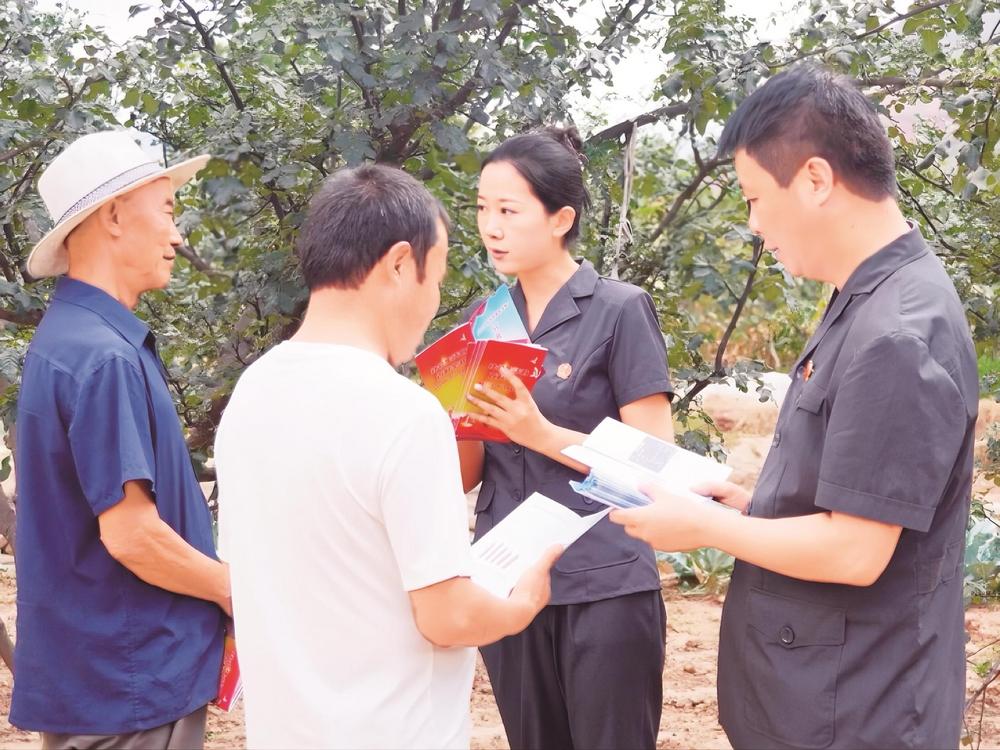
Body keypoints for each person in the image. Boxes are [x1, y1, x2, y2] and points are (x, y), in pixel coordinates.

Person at [611, 64, 978, 749]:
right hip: (822, 697)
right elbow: (859, 498)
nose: (754, 225)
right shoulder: (865, 299)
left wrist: (706, 526)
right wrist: (752, 507)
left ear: (815, 180)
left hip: (858, 715)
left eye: (755, 198)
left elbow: (856, 550)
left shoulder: (896, 332)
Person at [213, 163, 560, 750]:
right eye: (437, 279)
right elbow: (447, 616)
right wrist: (522, 604)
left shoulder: (252, 391)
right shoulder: (405, 413)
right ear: (401, 264)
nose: (434, 301)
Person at [12, 130, 230, 748]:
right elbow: (133, 535)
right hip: (131, 683)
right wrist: (235, 590)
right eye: (166, 210)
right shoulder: (102, 357)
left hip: (108, 679)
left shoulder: (73, 339)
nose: (177, 236)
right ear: (112, 216)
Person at [460, 126, 675, 750]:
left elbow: (656, 464)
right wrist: (455, 418)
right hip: (506, 578)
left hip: (603, 580)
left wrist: (543, 434)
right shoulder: (484, 323)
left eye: (509, 211)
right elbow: (468, 474)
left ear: (561, 219)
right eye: (482, 209)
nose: (491, 227)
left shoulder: (619, 309)